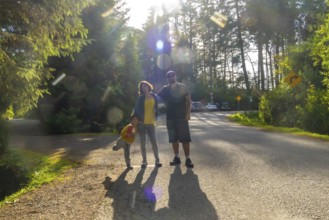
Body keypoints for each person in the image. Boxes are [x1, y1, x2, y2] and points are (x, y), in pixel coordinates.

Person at [157, 70, 194, 168]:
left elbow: (189, 101)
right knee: (173, 139)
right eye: (169, 76)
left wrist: (188, 113)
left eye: (172, 76)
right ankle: (176, 157)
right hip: (170, 118)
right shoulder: (165, 89)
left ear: (175, 76)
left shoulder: (182, 87)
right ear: (167, 78)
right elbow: (156, 98)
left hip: (182, 117)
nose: (171, 78)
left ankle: (188, 159)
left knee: (185, 139)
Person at [133, 81, 162, 168]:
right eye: (142, 87)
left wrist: (156, 117)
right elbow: (136, 110)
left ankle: (157, 160)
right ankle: (144, 161)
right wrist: (136, 120)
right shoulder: (140, 98)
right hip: (142, 123)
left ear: (149, 87)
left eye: (145, 86)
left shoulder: (154, 96)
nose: (144, 88)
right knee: (143, 143)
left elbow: (156, 108)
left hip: (151, 123)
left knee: (154, 142)